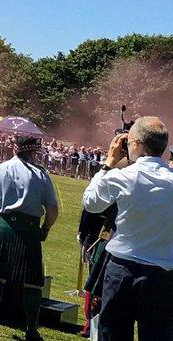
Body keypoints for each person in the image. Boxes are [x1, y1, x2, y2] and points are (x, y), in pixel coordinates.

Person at [81, 117, 173, 341]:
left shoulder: (123, 176)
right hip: (162, 275)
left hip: (122, 269)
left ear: (136, 144)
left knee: (112, 334)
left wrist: (108, 164)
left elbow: (91, 203)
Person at [0, 135, 58, 340]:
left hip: (2, 226)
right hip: (29, 230)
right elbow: (53, 210)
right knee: (32, 282)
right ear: (32, 152)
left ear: (15, 149)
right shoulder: (40, 175)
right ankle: (31, 330)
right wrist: (45, 229)